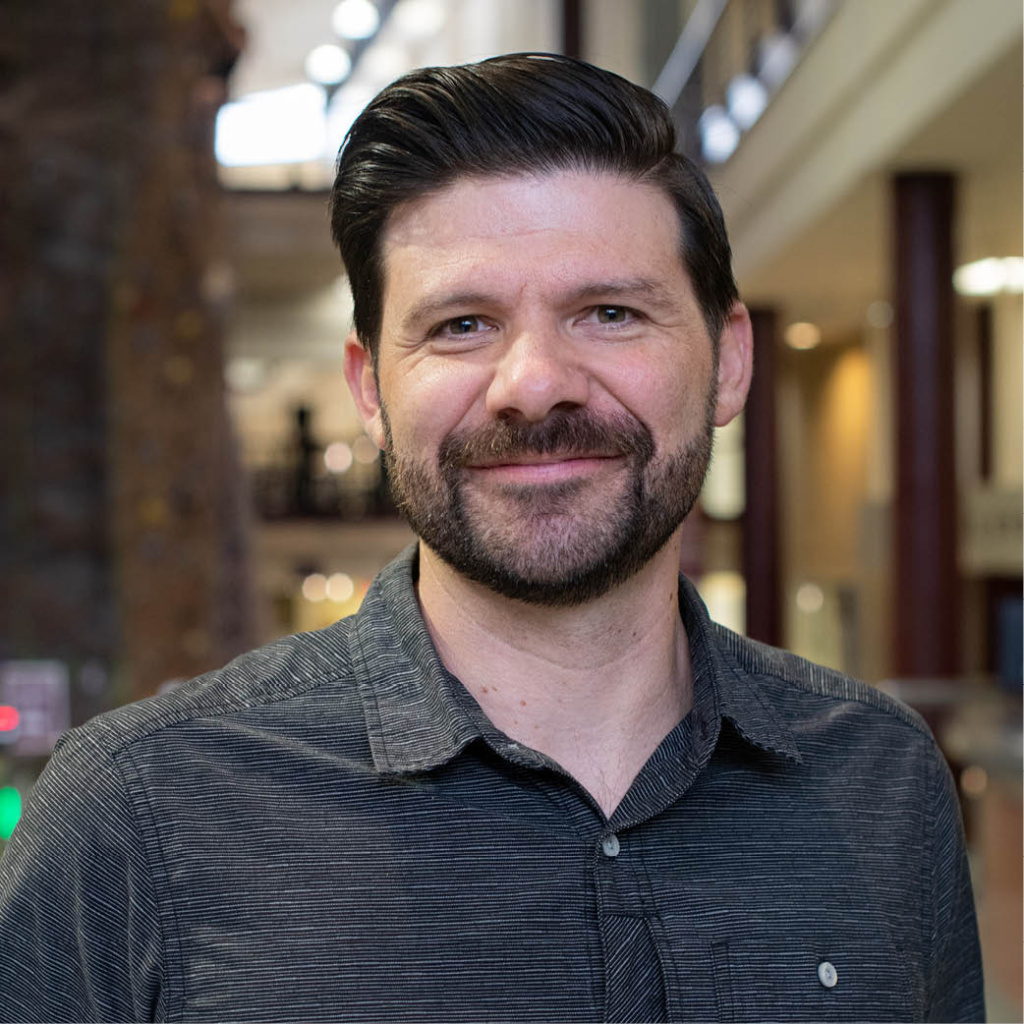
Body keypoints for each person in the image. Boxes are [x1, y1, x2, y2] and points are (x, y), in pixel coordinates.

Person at [0, 54, 983, 1023]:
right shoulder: (139, 816)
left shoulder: (881, 780)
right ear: (368, 391)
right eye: (462, 325)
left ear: (727, 363)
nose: (533, 382)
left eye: (608, 312)